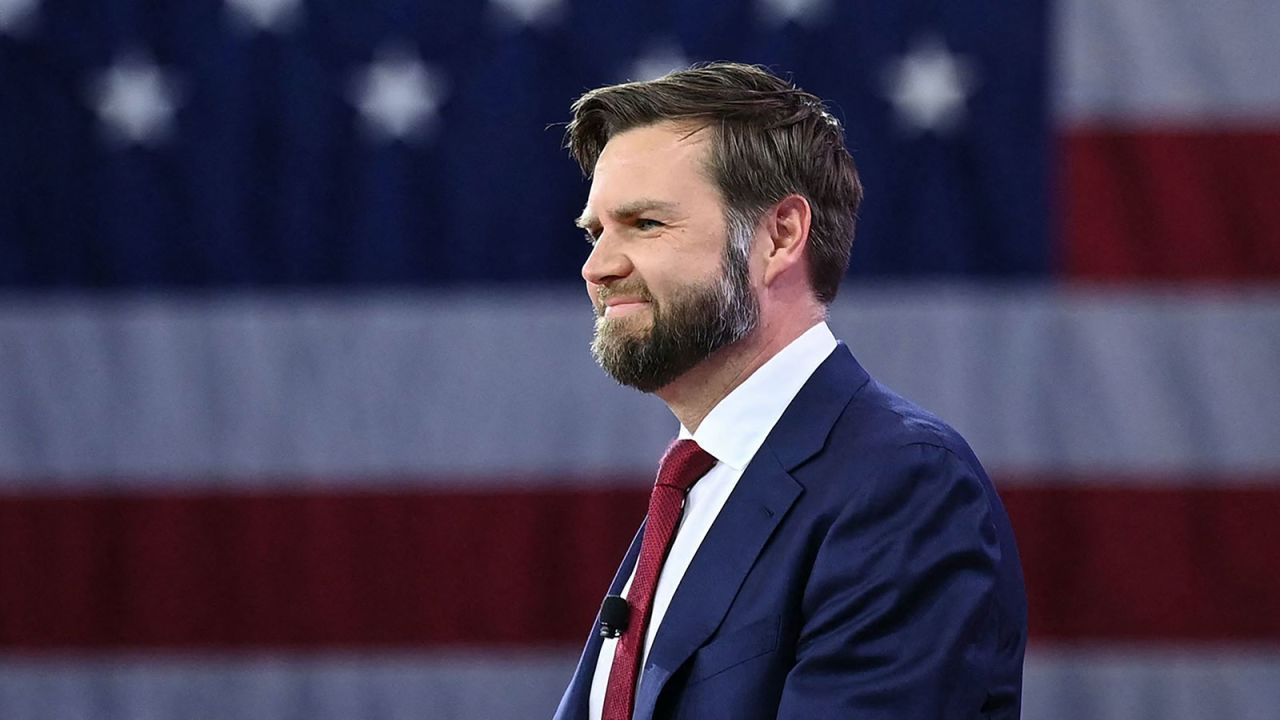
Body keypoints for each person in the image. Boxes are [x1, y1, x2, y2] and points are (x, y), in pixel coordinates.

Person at [553, 62, 1026, 720]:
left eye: (645, 224)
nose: (597, 266)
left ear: (779, 236)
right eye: (594, 231)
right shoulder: (697, 485)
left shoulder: (905, 487)